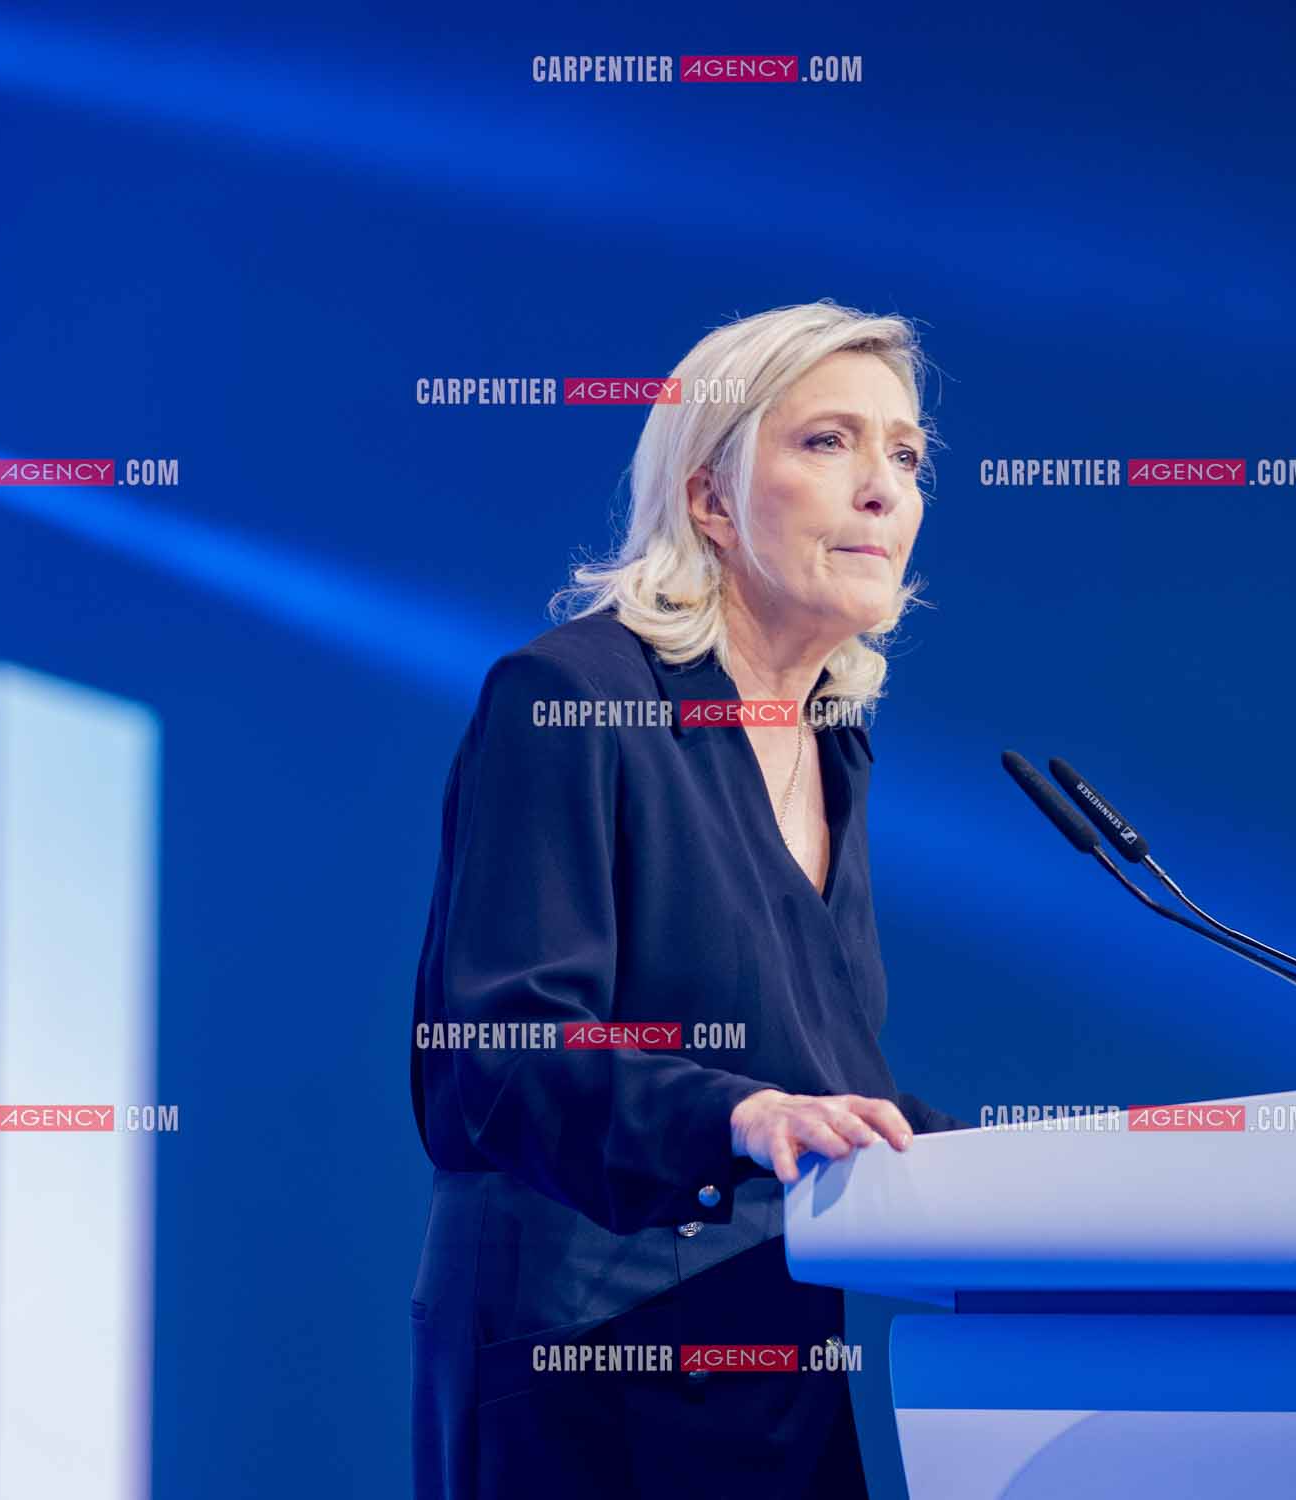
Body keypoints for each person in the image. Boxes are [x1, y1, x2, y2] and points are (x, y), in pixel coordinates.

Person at [411, 300, 965, 1500]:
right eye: (829, 442)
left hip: (773, 1361)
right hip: (584, 1359)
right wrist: (738, 1113)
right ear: (710, 498)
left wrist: (1034, 1163)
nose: (884, 489)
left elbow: (821, 1071)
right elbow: (502, 1053)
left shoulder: (834, 743)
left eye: (907, 455)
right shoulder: (569, 695)